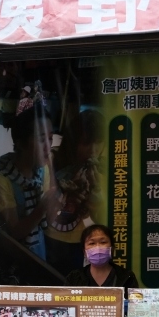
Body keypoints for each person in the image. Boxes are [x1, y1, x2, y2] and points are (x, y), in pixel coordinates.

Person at [0, 90, 58, 262]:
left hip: (37, 252)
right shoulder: (1, 179)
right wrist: (42, 206)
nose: (48, 147)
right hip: (11, 260)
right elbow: (14, 232)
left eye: (50, 138)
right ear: (20, 143)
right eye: (42, 139)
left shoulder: (43, 170)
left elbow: (50, 218)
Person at [45, 108, 104, 275]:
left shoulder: (101, 169)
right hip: (46, 238)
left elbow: (99, 218)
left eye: (98, 142)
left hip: (75, 243)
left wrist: (95, 193)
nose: (93, 151)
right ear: (73, 141)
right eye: (86, 143)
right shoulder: (51, 159)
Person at [65, 225, 139, 290]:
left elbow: (134, 304)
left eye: (103, 242)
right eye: (92, 243)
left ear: (112, 248)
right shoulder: (74, 277)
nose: (98, 247)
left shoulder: (126, 277)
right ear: (84, 251)